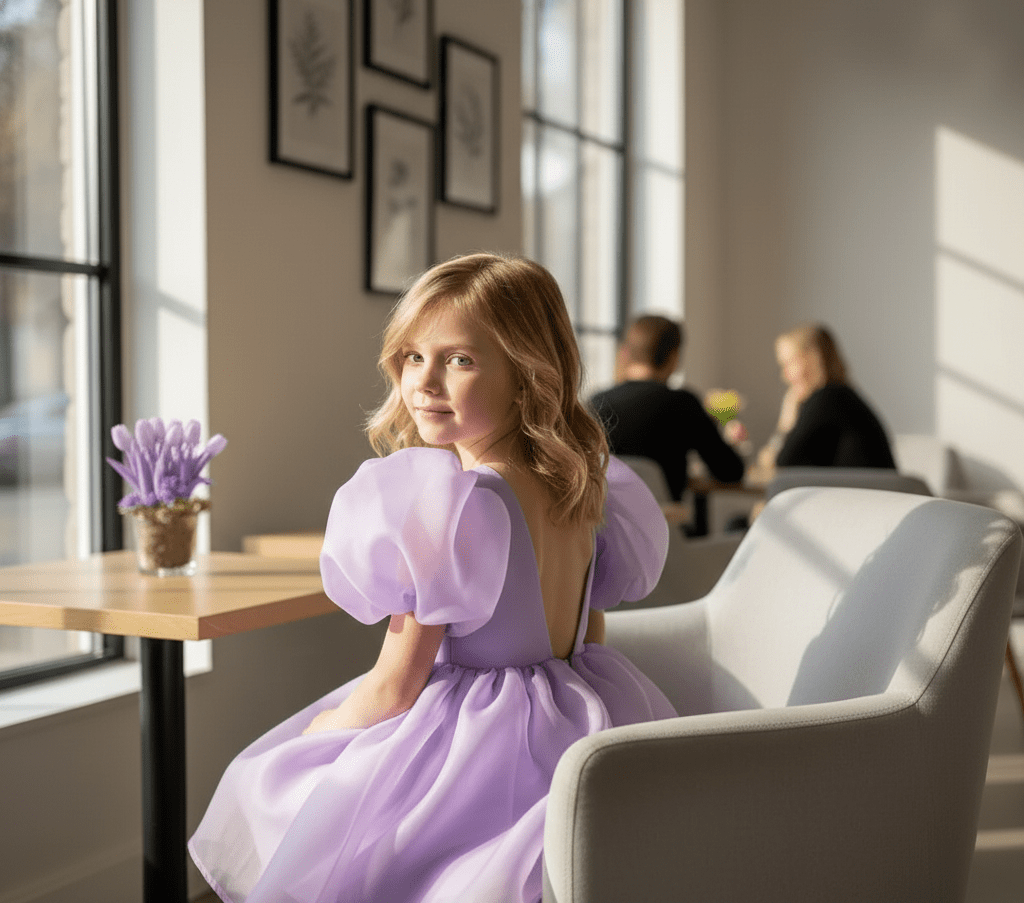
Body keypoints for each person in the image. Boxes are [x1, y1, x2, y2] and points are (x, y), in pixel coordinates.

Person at [188, 253, 676, 903]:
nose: (424, 381)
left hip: (475, 748)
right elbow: (590, 636)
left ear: (528, 374)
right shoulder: (582, 488)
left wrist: (321, 728)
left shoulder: (456, 501)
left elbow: (395, 687)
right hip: (575, 723)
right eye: (414, 356)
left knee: (268, 778)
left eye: (460, 360)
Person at [589, 315, 745, 502]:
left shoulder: (595, 404)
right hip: (665, 519)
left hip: (606, 519)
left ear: (627, 353)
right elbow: (730, 471)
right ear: (673, 357)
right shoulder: (683, 403)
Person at [756, 323, 896, 475]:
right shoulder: (841, 397)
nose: (785, 376)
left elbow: (781, 463)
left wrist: (785, 424)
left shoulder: (827, 399)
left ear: (814, 358)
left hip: (864, 490)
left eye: (790, 363)